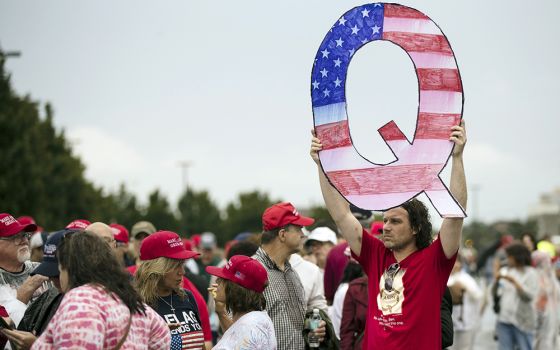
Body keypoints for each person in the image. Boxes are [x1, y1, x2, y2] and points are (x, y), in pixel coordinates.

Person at [310, 120, 467, 349]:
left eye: (395, 221)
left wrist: (457, 158)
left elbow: (454, 215)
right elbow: (342, 215)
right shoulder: (376, 254)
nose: (386, 227)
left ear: (416, 228)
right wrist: (322, 165)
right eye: (384, 221)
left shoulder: (435, 260)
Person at [10, 230, 171, 349]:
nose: (54, 278)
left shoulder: (79, 303)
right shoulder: (127, 298)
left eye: (59, 269)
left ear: (70, 267)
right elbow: (163, 339)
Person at [254, 202, 327, 350]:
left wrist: (312, 327)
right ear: (282, 234)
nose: (303, 234)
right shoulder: (252, 270)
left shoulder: (291, 271)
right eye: (299, 228)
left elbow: (295, 323)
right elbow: (236, 327)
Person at [135, 231, 210, 350]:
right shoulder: (139, 305)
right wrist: (156, 335)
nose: (182, 272)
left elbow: (201, 345)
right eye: (175, 265)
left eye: (182, 264)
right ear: (156, 268)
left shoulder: (187, 297)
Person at [207, 255, 277, 349]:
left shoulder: (249, 328)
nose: (217, 281)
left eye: (224, 279)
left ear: (235, 288)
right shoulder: (253, 320)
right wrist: (221, 311)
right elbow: (236, 338)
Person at [0, 213, 49, 328]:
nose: (24, 241)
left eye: (25, 235)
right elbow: (5, 326)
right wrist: (30, 286)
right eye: (14, 237)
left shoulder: (39, 268)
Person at [493, 242, 538, 350]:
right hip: (504, 319)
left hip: (522, 321)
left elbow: (529, 296)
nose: (507, 259)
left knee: (524, 347)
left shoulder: (530, 273)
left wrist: (515, 282)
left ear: (517, 257)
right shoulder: (506, 271)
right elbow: (498, 292)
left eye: (510, 257)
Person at [447, 255, 483, 350]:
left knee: (464, 347)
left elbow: (478, 295)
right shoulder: (443, 277)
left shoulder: (466, 279)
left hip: (466, 321)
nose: (454, 265)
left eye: (457, 262)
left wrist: (465, 288)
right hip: (447, 322)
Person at [531, 250, 559, 350]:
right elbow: (540, 293)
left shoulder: (550, 276)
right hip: (540, 312)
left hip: (551, 312)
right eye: (545, 261)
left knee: (549, 337)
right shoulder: (535, 275)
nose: (548, 263)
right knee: (538, 338)